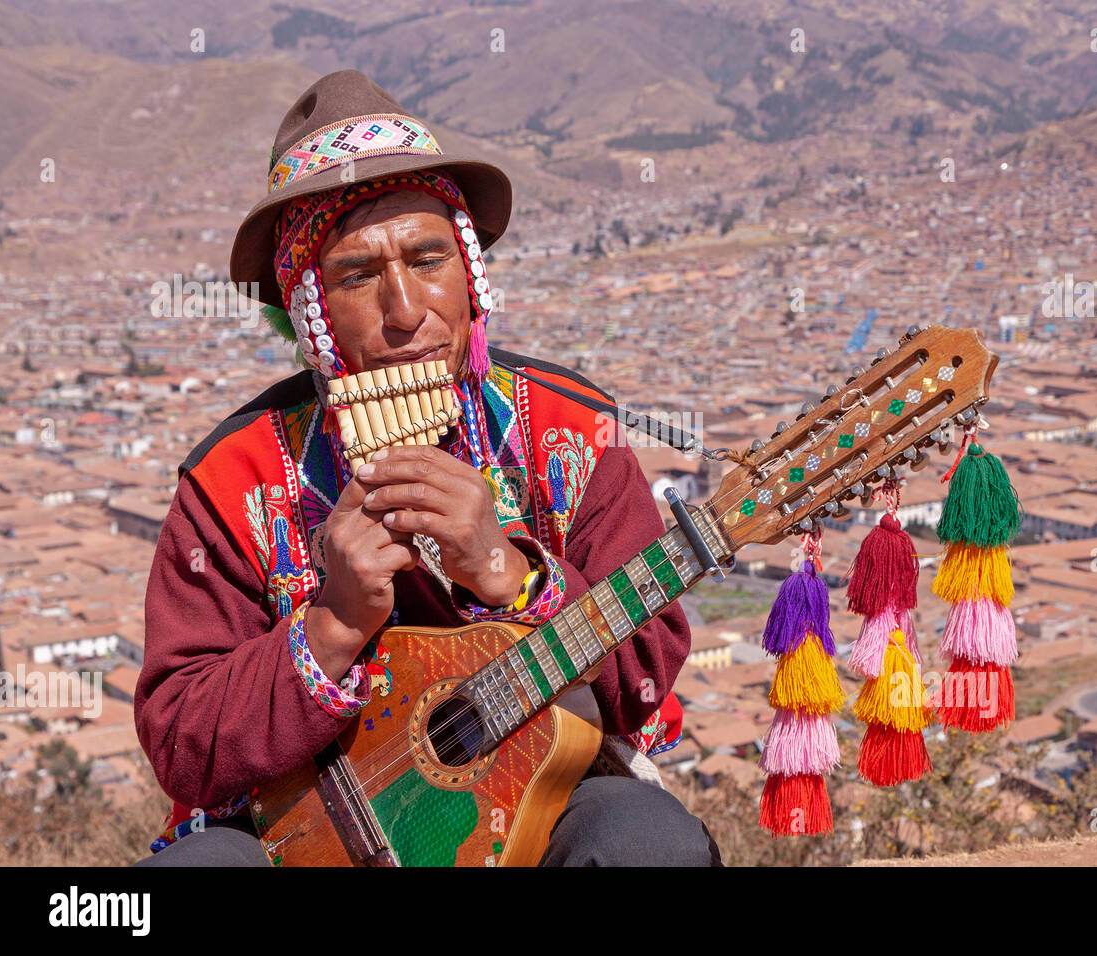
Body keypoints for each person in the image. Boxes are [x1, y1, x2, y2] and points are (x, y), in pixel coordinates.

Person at [133, 70, 720, 867]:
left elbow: (643, 677)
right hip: (308, 828)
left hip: (544, 794)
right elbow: (181, 744)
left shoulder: (572, 430)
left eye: (428, 258)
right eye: (357, 275)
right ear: (310, 314)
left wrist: (506, 572)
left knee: (647, 845)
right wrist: (332, 625)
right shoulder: (230, 481)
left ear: (471, 277)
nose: (407, 312)